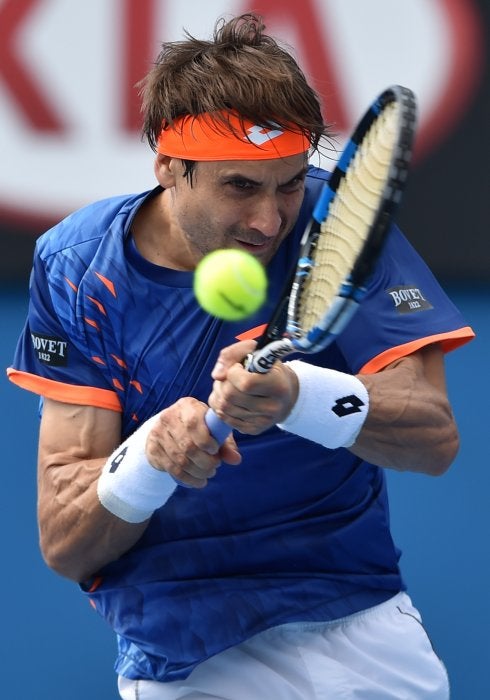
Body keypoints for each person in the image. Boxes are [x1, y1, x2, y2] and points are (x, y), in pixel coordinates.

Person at [7, 12, 474, 700]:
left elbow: (434, 438)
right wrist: (149, 457)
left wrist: (298, 397)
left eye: (287, 183)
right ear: (168, 166)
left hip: (356, 621)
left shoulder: (333, 223)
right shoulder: (78, 267)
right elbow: (67, 543)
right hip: (182, 652)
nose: (268, 220)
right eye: (239, 187)